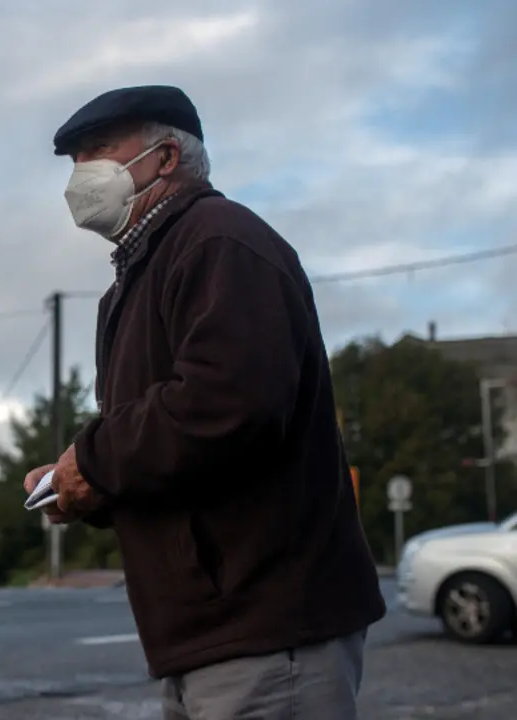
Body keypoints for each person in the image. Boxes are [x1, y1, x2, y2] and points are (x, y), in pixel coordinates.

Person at [25, 85, 386, 719]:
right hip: (212, 632)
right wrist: (83, 483)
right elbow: (169, 439)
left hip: (268, 628)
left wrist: (94, 461)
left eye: (99, 151)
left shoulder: (219, 242)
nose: (81, 175)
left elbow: (228, 406)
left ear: (165, 158)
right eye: (75, 160)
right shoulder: (138, 277)